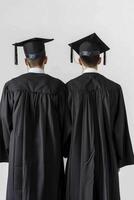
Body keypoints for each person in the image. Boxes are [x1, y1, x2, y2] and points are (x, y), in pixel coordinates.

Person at [64, 33, 134, 200]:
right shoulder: (114, 89)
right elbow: (120, 128)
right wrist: (117, 158)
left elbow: (65, 127)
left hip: (77, 155)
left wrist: (68, 151)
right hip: (106, 156)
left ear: (79, 60)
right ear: (100, 60)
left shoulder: (69, 89)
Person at [0, 37, 67, 200]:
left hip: (20, 155)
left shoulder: (12, 87)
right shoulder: (58, 87)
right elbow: (66, 124)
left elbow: (4, 123)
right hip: (50, 154)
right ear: (46, 59)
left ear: (25, 61)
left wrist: (13, 148)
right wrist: (62, 148)